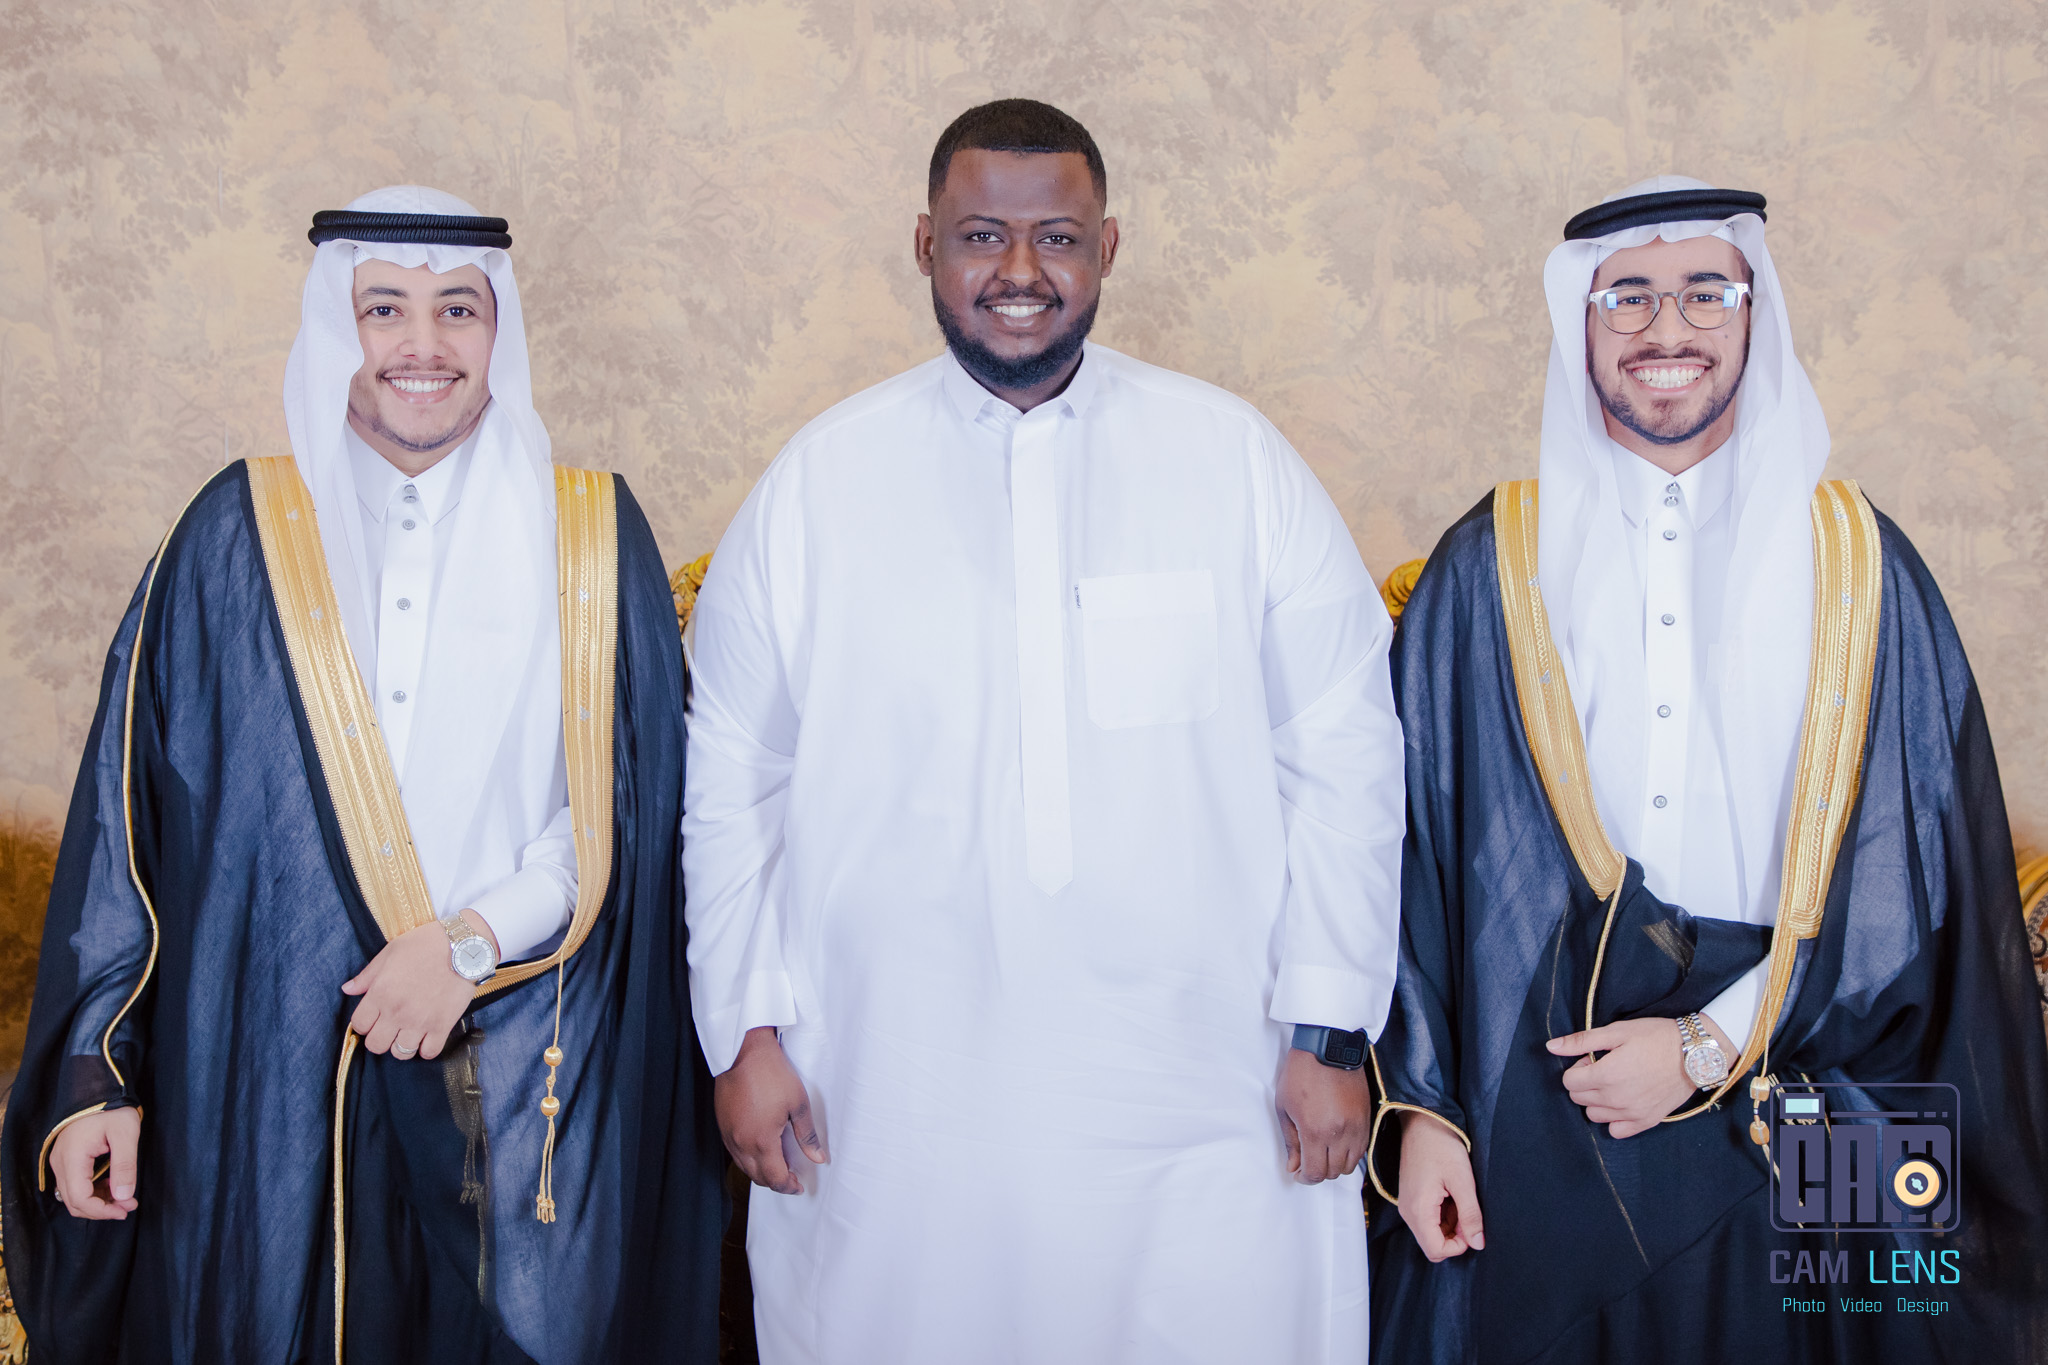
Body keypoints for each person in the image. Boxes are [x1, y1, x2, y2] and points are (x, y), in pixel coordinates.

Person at [683, 99, 1406, 1363]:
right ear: (924, 244)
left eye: (1056, 238)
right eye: (981, 236)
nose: (1018, 271)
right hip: (889, 1088)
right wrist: (742, 1035)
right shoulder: (817, 483)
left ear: (1106, 248)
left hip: (1207, 1086)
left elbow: (1342, 754)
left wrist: (1329, 1030)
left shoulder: (1233, 461)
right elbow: (734, 780)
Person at [0, 186, 725, 1364]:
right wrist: (99, 1072)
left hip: (515, 1071)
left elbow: (626, 817)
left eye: (457, 311)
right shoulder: (232, 534)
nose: (421, 345)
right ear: (335, 327)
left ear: (500, 330)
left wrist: (467, 945)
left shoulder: (590, 537)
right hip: (262, 1067)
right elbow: (126, 829)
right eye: (383, 308)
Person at [1369, 177, 2048, 1362]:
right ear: (1580, 324)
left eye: (1702, 294)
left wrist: (1707, 1046)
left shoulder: (1858, 565)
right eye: (1626, 297)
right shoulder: (1488, 564)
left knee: (1845, 1318)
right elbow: (1404, 853)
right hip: (1544, 1096)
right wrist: (1422, 1114)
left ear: (1751, 313)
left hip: (1806, 1081)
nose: (1665, 329)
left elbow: (1920, 885)